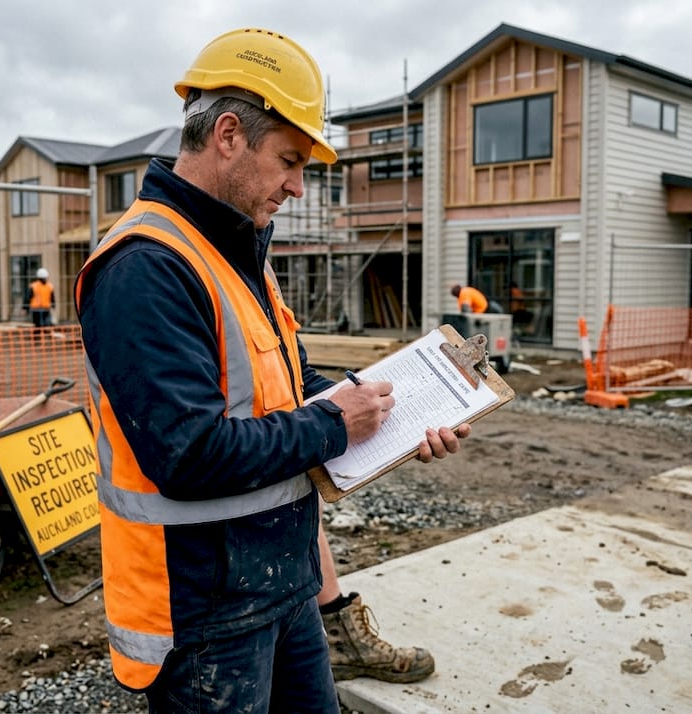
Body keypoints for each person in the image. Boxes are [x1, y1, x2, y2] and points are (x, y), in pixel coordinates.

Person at [75, 27, 469, 713]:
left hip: (285, 583)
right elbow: (190, 454)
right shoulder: (146, 266)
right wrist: (334, 425)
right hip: (205, 614)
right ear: (228, 134)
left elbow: (289, 389)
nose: (295, 185)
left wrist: (396, 415)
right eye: (289, 160)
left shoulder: (234, 249)